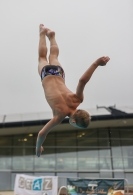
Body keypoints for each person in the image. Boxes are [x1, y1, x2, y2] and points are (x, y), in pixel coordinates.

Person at [36, 24, 110, 157]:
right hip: (46, 75)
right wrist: (38, 148)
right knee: (42, 57)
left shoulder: (78, 99)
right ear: (74, 121)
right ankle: (42, 33)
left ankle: (52, 37)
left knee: (54, 56)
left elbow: (82, 81)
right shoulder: (58, 117)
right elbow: (42, 133)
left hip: (59, 73)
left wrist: (96, 63)